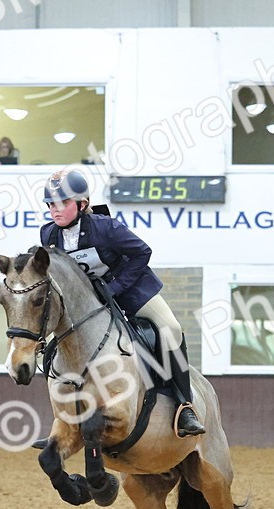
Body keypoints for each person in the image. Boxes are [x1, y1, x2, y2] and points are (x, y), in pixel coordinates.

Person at [39, 169, 205, 438]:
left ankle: (184, 405)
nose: (55, 210)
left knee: (171, 329)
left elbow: (142, 252)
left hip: (132, 292)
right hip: (90, 303)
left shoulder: (106, 228)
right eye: (50, 204)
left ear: (82, 204)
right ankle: (64, 421)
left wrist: (115, 288)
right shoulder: (48, 235)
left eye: (62, 203)